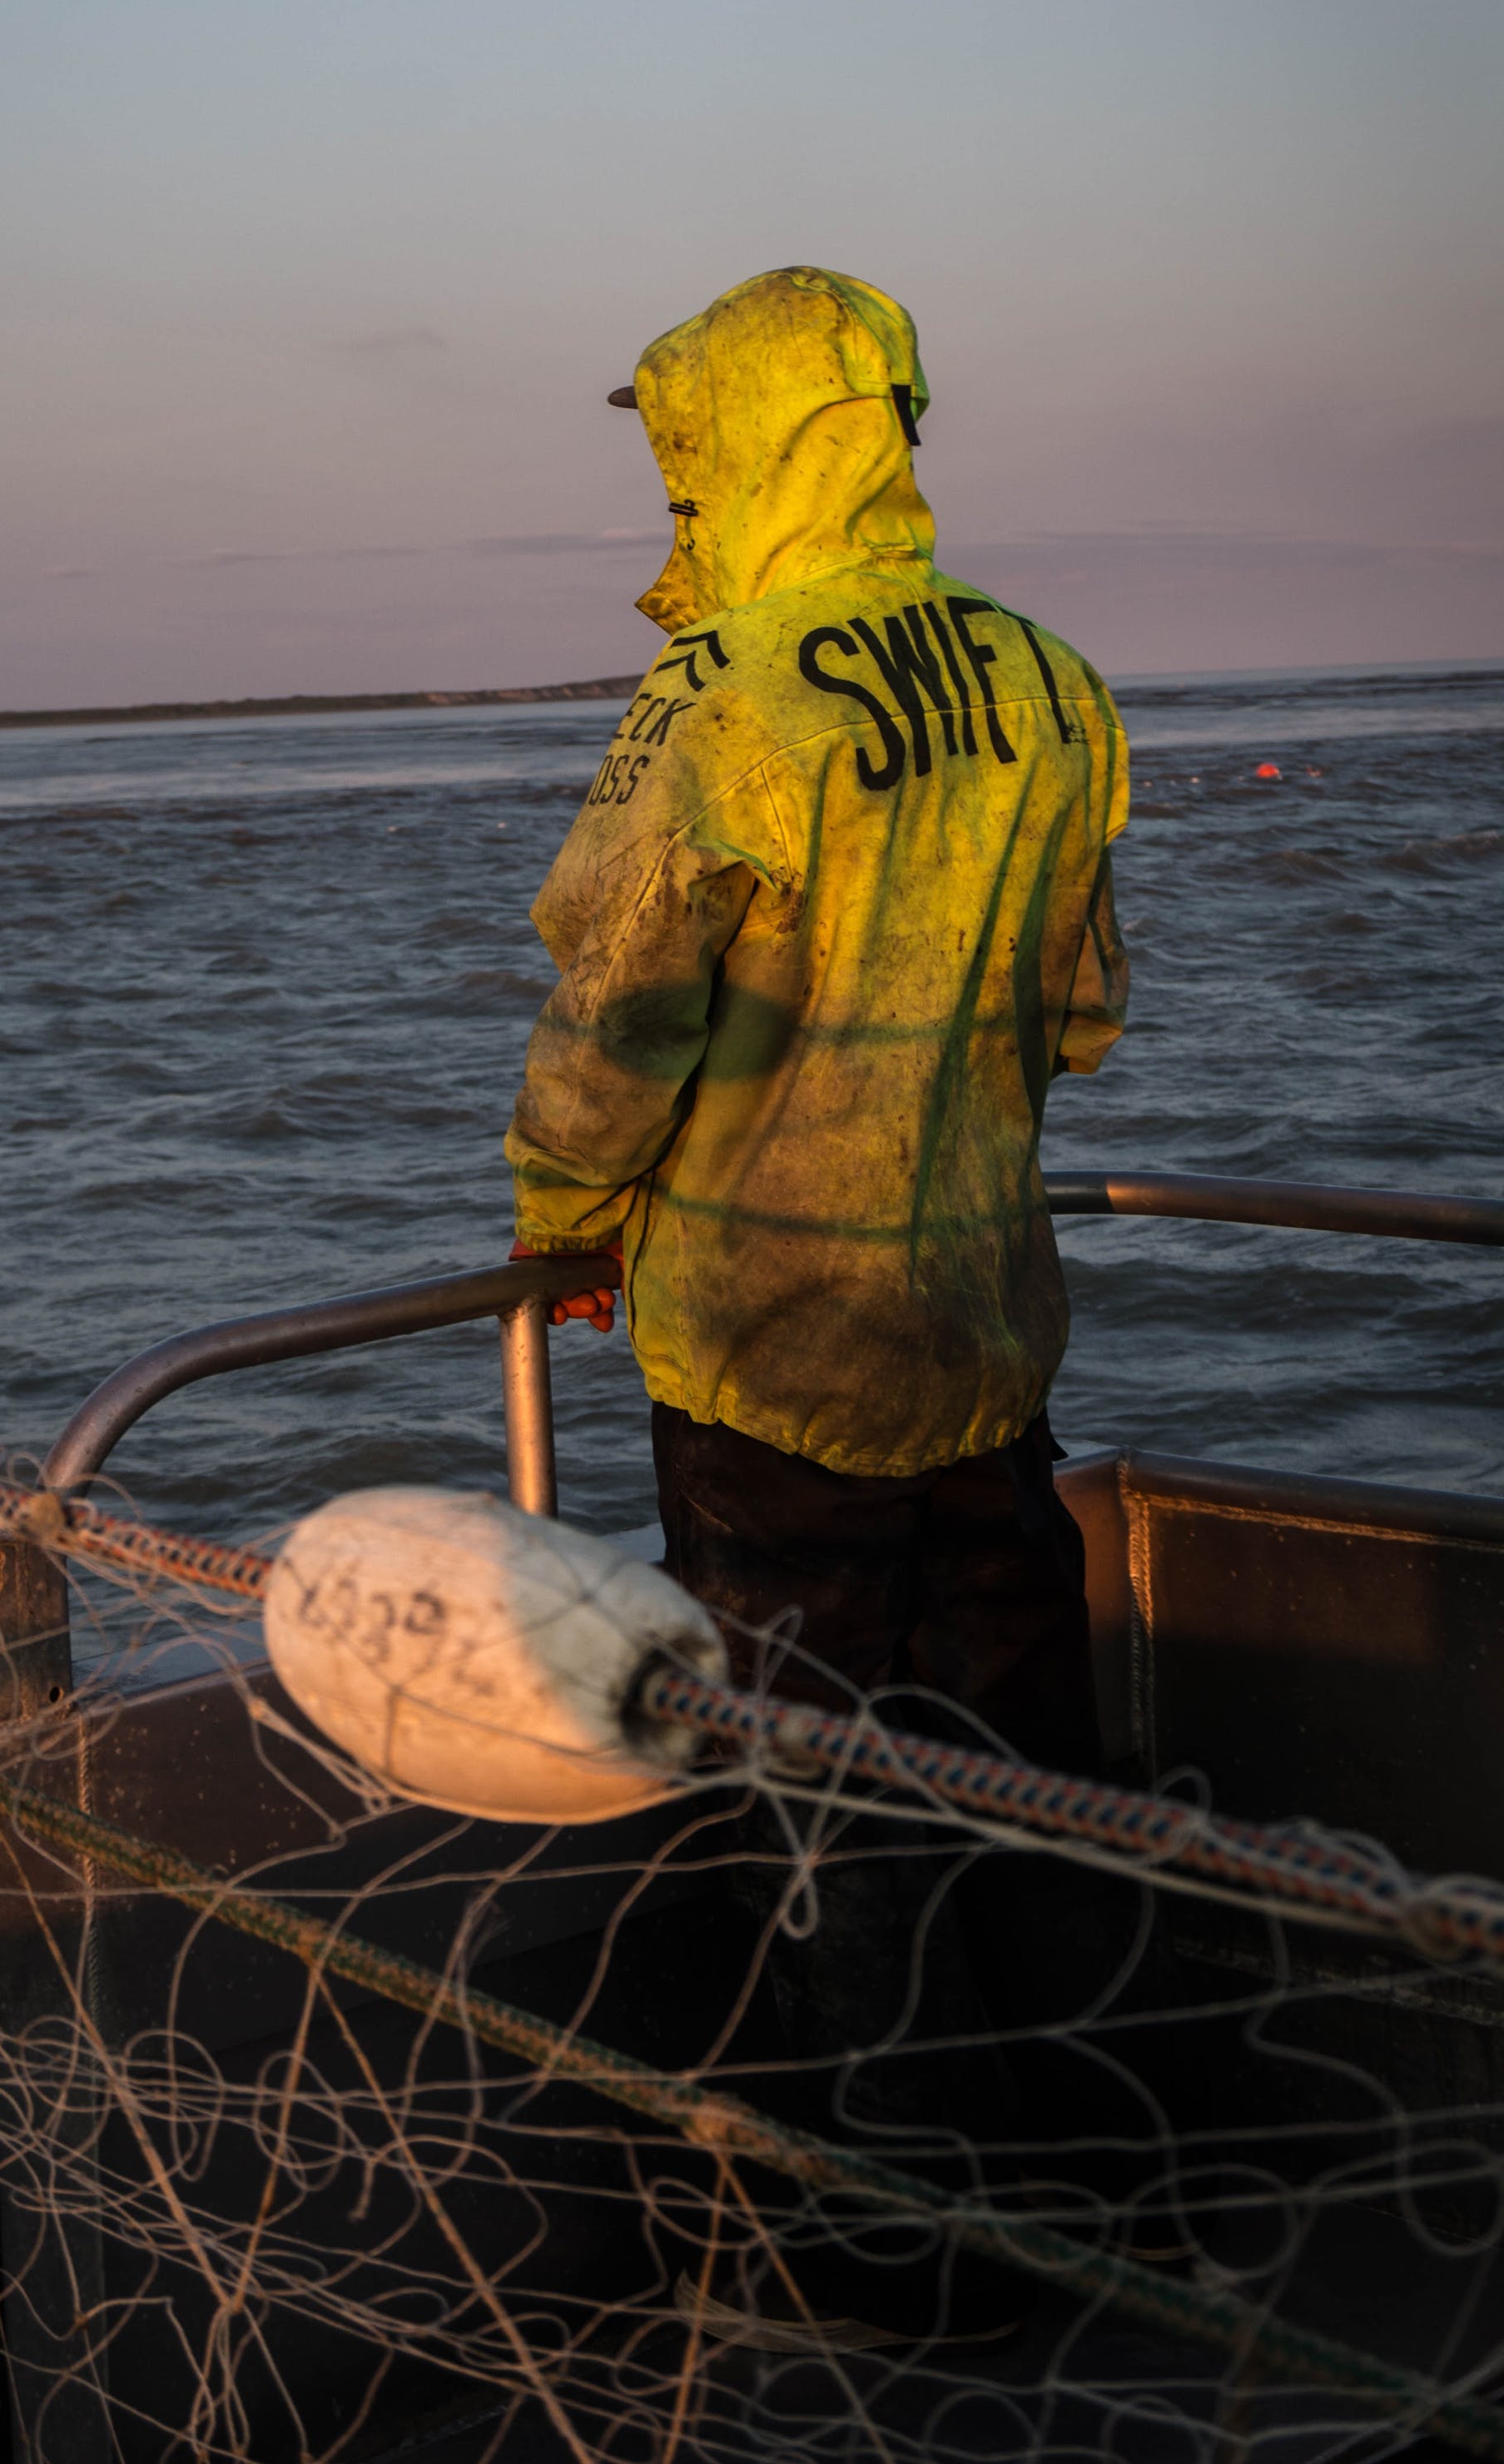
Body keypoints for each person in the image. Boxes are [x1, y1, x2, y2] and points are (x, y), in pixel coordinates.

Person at [504, 264, 1132, 2347]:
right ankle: (1108, 2178)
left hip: (768, 1360)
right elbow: (1083, 1013)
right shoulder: (1050, 681)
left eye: (676, 444)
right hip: (983, 1329)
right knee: (1030, 1771)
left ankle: (892, 2258)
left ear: (742, 439)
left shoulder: (719, 705)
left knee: (813, 1800)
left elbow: (616, 1022)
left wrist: (560, 1216)